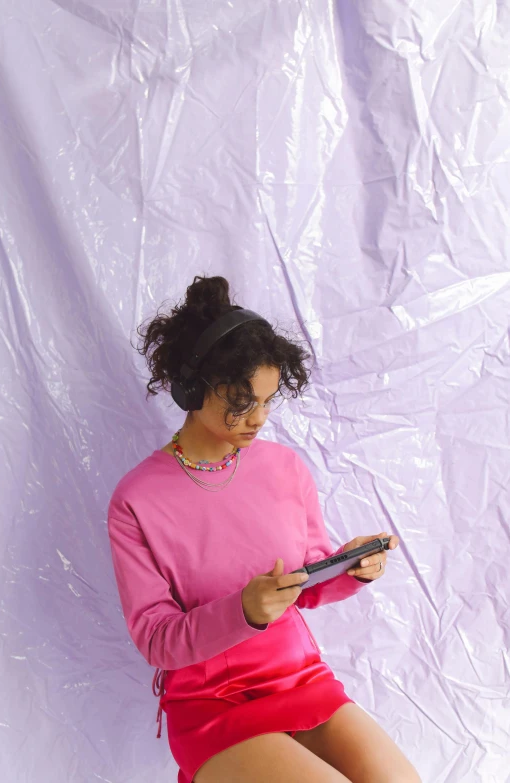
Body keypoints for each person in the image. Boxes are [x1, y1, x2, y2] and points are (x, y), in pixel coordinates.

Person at [107, 275, 421, 783]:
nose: (258, 419)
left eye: (269, 400)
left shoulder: (284, 468)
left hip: (299, 678)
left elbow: (307, 584)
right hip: (210, 702)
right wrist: (242, 611)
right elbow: (156, 638)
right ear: (192, 388)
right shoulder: (137, 499)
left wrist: (351, 567)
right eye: (241, 401)